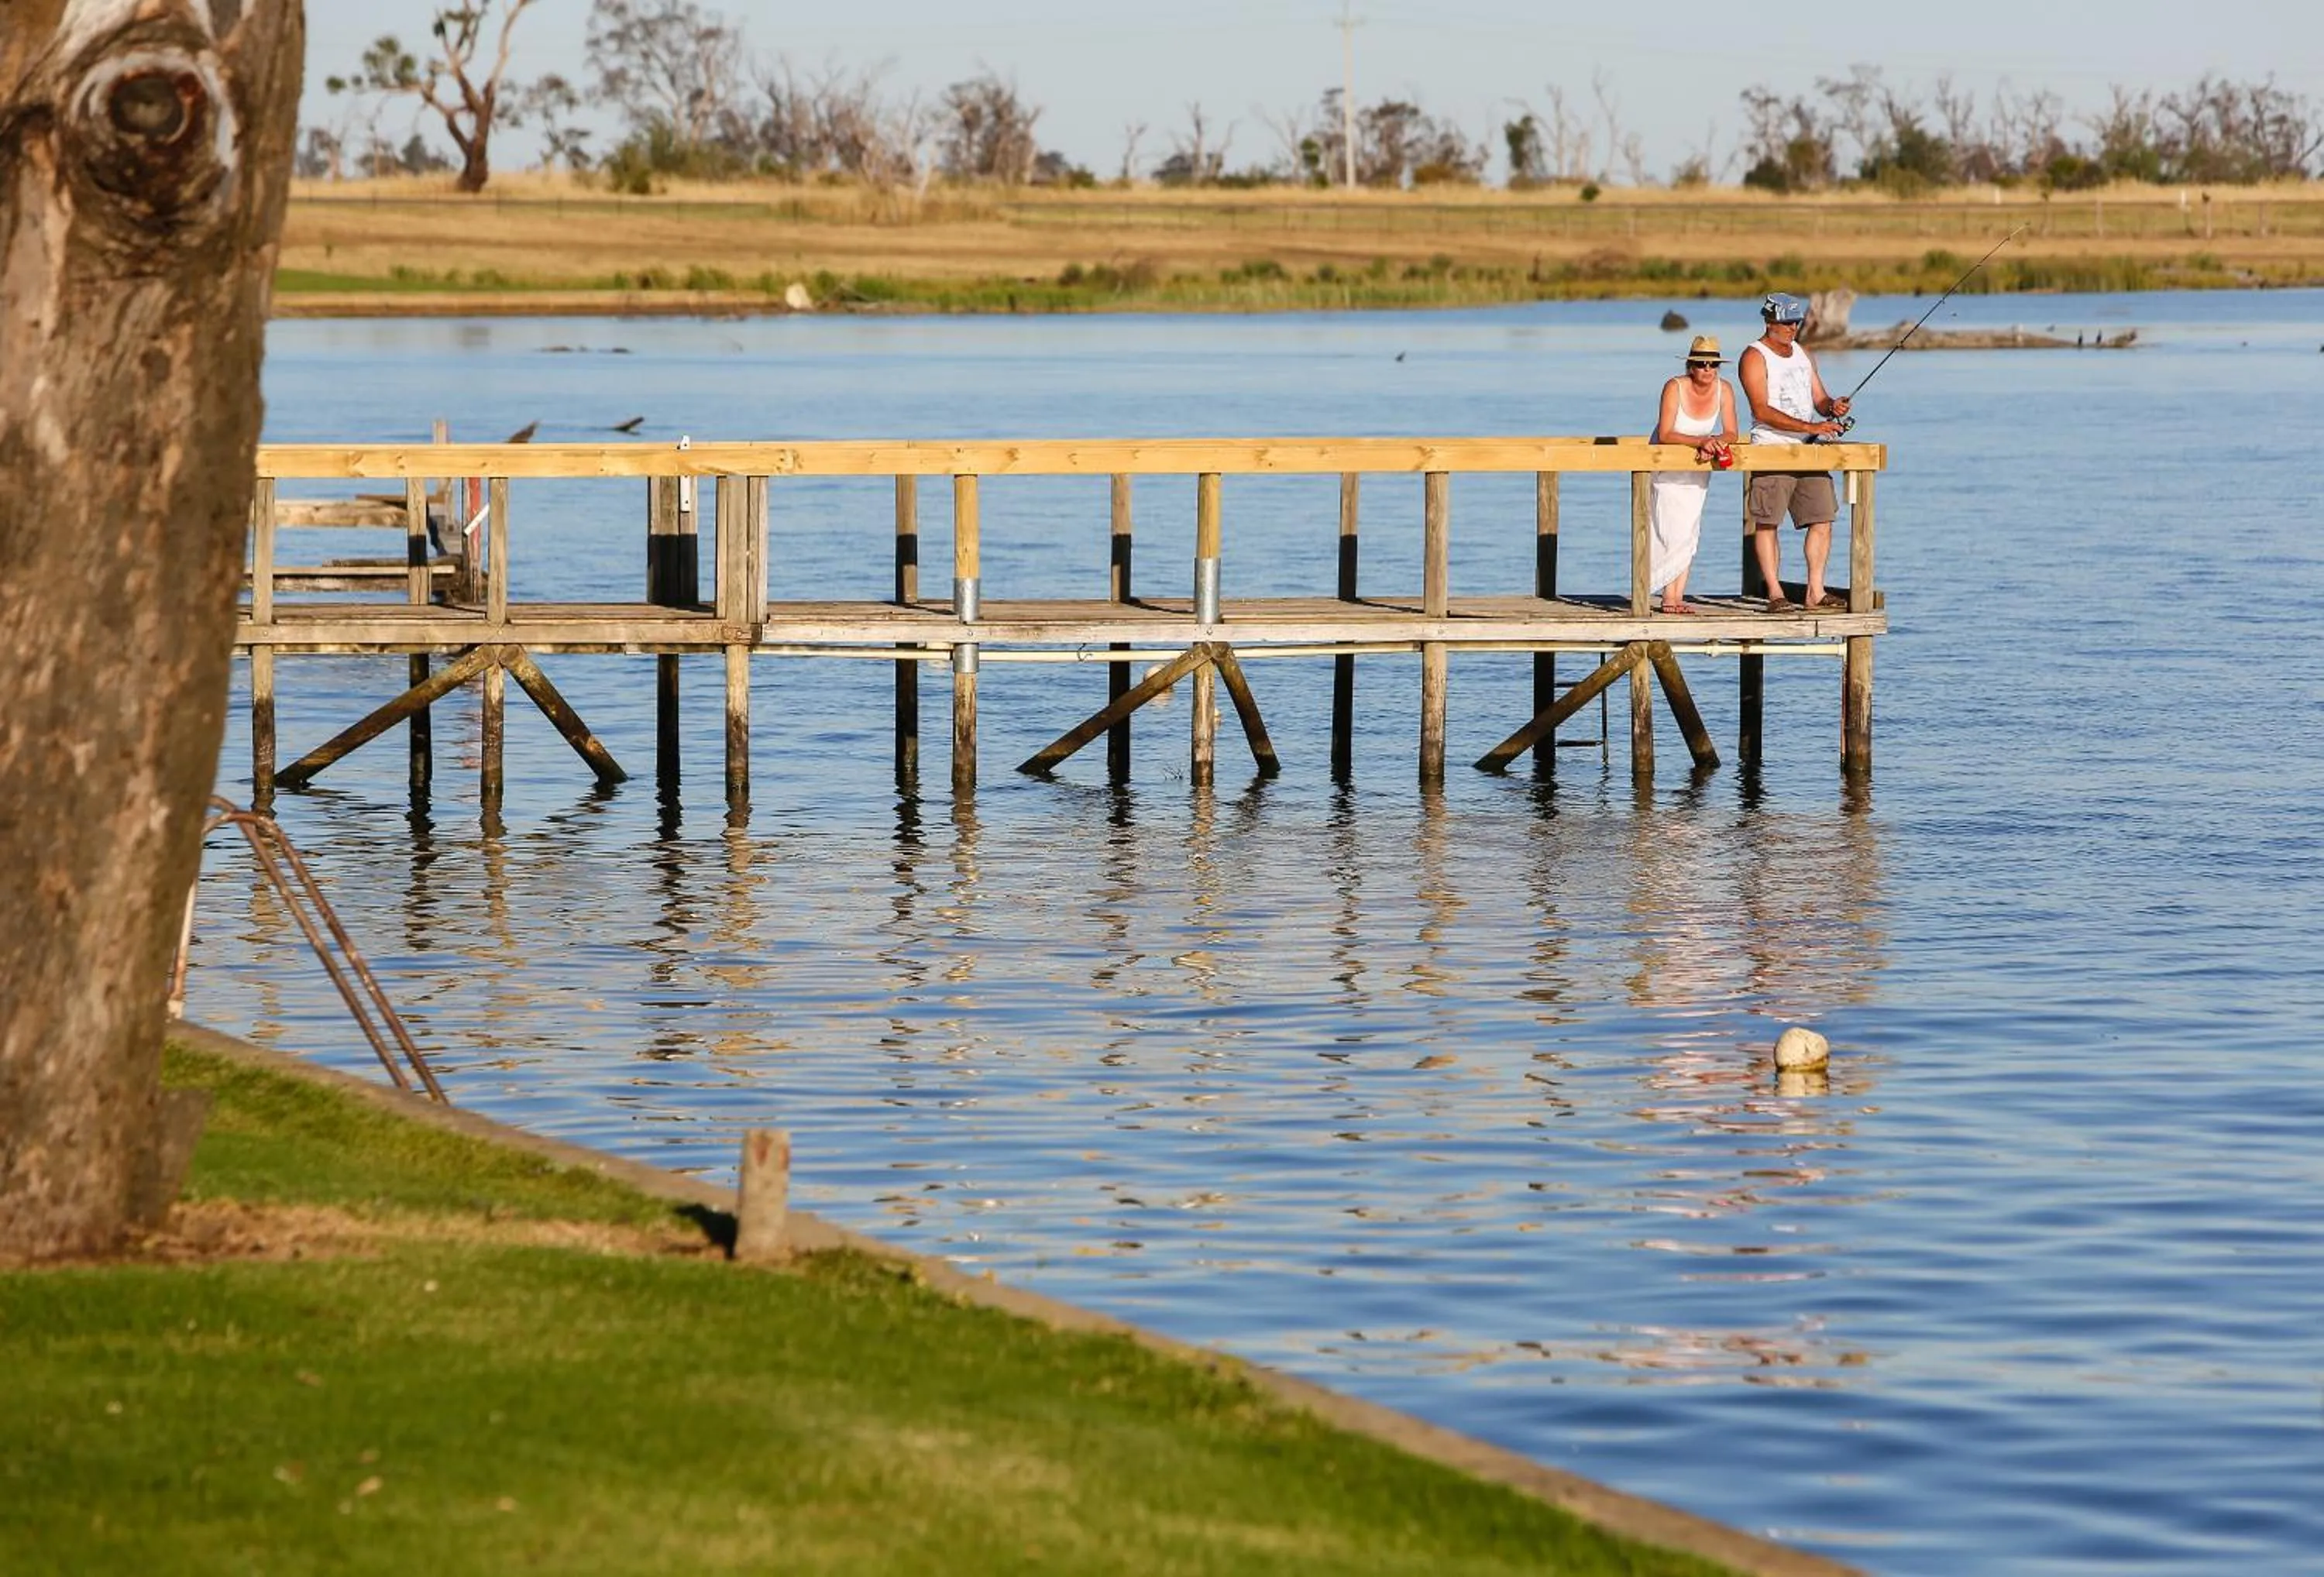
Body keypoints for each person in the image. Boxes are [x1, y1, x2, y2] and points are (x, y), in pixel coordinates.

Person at [1738, 293, 1851, 613]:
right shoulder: (1754, 356)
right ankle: (1775, 592)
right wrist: (1811, 428)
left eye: (1796, 321)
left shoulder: (1804, 353)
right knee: (1768, 522)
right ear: (1770, 321)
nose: (1793, 328)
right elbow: (1761, 410)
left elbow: (1820, 400)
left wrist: (1832, 408)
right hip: (1771, 449)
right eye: (1786, 322)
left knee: (1823, 517)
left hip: (1807, 450)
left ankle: (1815, 590)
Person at [1648, 334, 1738, 614]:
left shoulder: (1725, 389)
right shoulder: (1674, 387)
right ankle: (1666, 596)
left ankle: (1677, 597)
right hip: (1668, 462)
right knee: (1667, 526)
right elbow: (1665, 433)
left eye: (1713, 364)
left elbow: (1732, 432)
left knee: (1689, 528)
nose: (1708, 370)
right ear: (1691, 366)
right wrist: (1701, 441)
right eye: (1701, 364)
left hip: (1698, 468)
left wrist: (1716, 442)